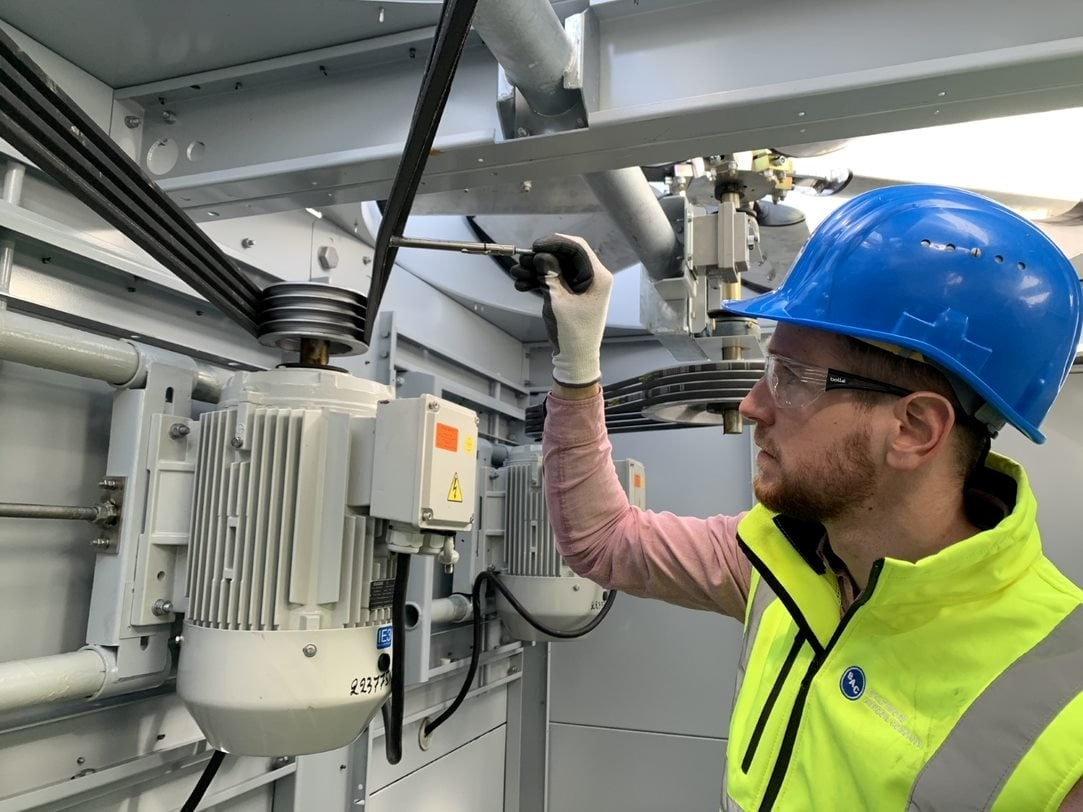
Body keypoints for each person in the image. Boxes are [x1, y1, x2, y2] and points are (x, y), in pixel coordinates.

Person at [510, 185, 1083, 811]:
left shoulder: (1065, 711)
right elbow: (604, 540)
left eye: (793, 377)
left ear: (915, 429)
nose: (754, 404)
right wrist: (576, 361)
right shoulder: (780, 560)